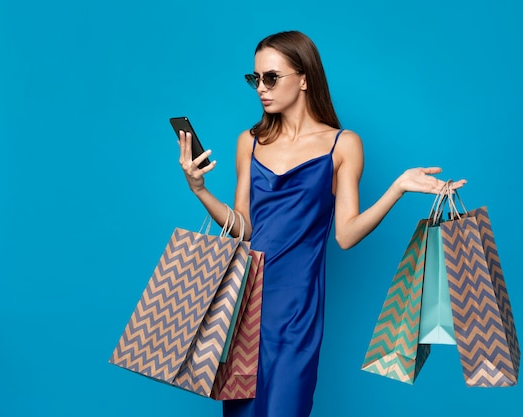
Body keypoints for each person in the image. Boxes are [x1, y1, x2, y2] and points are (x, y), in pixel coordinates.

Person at [177, 30, 466, 417]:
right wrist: (200, 189)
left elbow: (345, 235)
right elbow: (243, 227)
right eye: (255, 78)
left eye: (271, 77)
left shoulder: (343, 145)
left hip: (297, 306)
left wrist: (397, 187)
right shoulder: (250, 141)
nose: (261, 88)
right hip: (244, 306)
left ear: (304, 78)